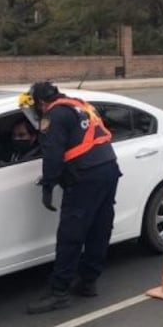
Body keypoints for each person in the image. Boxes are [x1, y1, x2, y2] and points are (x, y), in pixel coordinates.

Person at [21, 81, 122, 314]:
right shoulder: (80, 105)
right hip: (108, 169)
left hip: (85, 176)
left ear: (40, 102)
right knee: (99, 228)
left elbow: (52, 154)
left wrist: (48, 186)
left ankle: (59, 292)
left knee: (70, 234)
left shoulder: (53, 115)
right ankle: (88, 281)